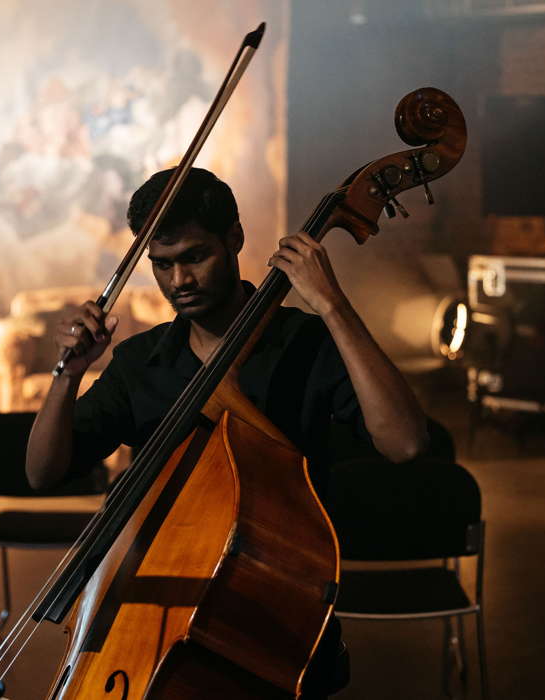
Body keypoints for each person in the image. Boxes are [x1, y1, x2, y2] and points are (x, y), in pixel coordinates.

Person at [25, 167, 429, 697]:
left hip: (277, 622)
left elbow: (405, 443)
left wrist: (332, 305)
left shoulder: (305, 343)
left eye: (194, 257)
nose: (179, 282)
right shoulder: (141, 362)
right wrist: (68, 374)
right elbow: (43, 471)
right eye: (162, 265)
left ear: (234, 238)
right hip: (153, 618)